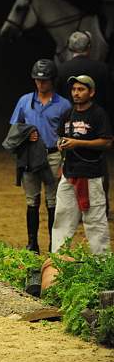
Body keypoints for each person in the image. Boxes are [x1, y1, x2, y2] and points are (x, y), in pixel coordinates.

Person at [8, 59, 71, 254]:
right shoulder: (25, 101)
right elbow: (14, 129)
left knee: (53, 202)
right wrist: (26, 135)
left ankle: (54, 243)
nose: (40, 84)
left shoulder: (64, 105)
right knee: (31, 200)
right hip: (30, 156)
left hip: (53, 155)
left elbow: (69, 135)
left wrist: (64, 162)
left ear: (53, 80)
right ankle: (32, 243)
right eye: (37, 80)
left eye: (44, 80)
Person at [52, 75, 112, 254]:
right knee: (62, 218)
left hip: (92, 174)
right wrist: (61, 143)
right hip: (69, 173)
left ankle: (101, 264)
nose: (76, 93)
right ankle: (58, 261)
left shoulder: (98, 114)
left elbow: (107, 142)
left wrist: (78, 143)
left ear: (91, 92)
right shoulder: (67, 114)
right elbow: (61, 136)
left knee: (95, 221)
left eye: (81, 89)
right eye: (74, 90)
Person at [56, 31, 112, 214]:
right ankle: (102, 204)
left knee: (69, 162)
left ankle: (74, 207)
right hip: (97, 121)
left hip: (70, 121)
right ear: (89, 48)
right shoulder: (102, 68)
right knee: (99, 164)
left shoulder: (62, 69)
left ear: (70, 48)